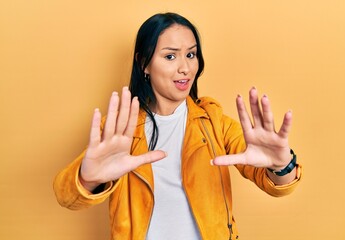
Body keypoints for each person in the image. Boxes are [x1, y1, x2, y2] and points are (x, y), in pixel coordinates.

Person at [53, 12, 302, 240]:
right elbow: (67, 197)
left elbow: (279, 186)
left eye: (191, 54)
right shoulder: (121, 129)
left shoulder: (214, 121)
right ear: (144, 64)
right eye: (170, 56)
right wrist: (88, 179)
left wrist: (281, 165)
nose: (185, 67)